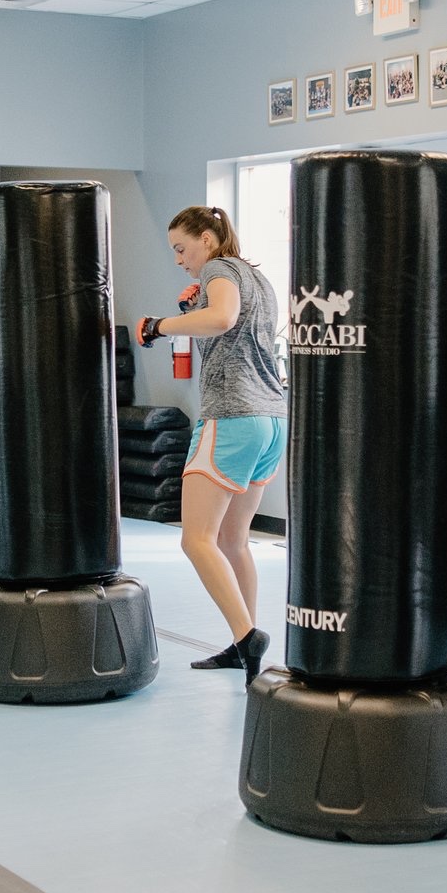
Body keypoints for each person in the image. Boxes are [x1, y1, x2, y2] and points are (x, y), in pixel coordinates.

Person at [137, 204, 285, 676]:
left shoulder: (220, 267)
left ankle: (247, 635)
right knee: (232, 539)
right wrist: (191, 309)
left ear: (206, 238)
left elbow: (222, 319)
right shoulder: (254, 276)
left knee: (196, 540)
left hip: (233, 417)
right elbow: (231, 327)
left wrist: (160, 326)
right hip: (271, 419)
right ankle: (242, 642)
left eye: (182, 248)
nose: (179, 259)